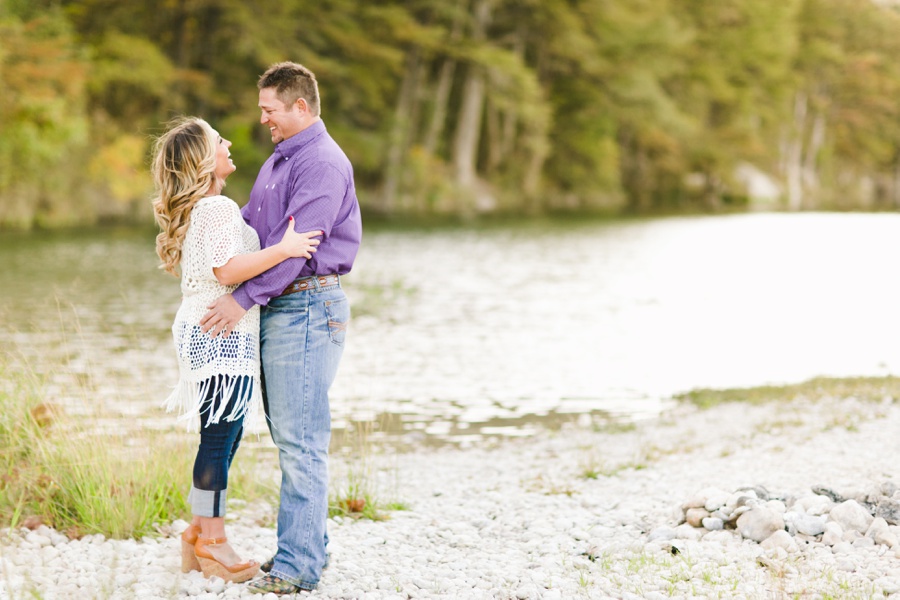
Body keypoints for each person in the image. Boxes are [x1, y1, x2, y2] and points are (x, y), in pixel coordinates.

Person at [199, 61, 362, 595]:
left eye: (269, 109)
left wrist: (241, 300)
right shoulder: (280, 159)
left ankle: (297, 568)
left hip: (309, 308)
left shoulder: (321, 164)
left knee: (301, 442)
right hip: (285, 309)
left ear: (301, 107)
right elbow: (252, 232)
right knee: (292, 437)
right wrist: (202, 231)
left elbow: (299, 251)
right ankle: (304, 549)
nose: (262, 118)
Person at [151, 116, 322, 584]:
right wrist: (286, 249)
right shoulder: (218, 209)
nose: (228, 142)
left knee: (220, 435)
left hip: (210, 333)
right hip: (219, 337)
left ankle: (197, 535)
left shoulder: (207, 209)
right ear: (205, 162)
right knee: (220, 437)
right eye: (217, 139)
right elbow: (227, 271)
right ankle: (214, 541)